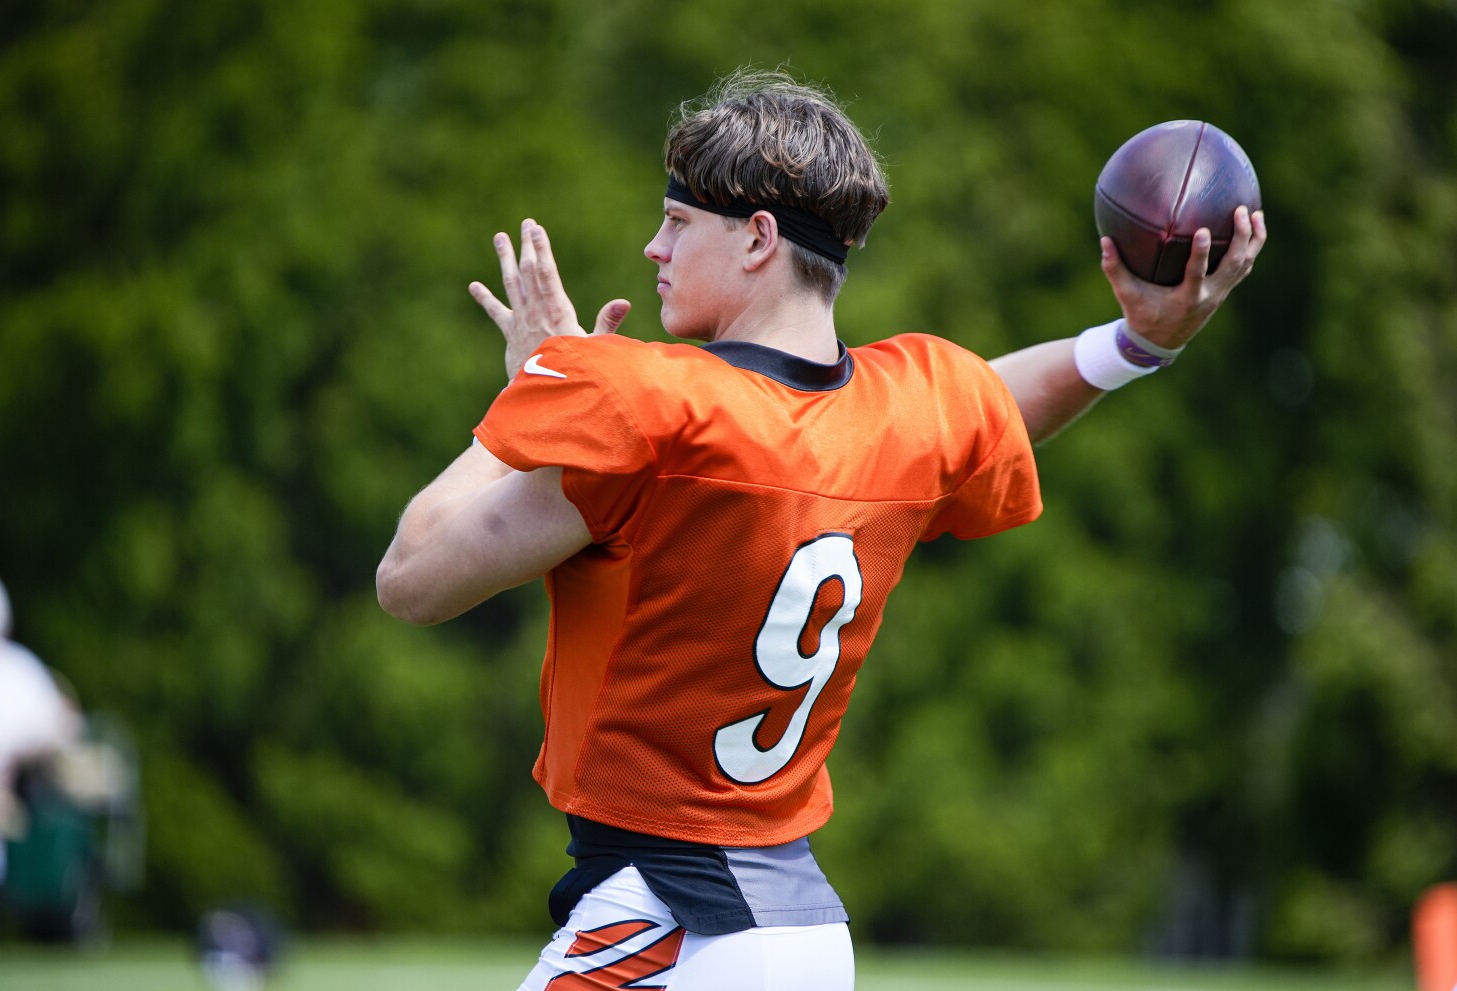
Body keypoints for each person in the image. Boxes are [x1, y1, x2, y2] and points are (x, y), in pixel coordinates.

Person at [376, 70, 1266, 990]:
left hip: (672, 917)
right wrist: (1140, 344)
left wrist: (531, 387)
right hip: (801, 936)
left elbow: (410, 577)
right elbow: (1003, 400)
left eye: (678, 222)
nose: (653, 248)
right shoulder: (907, 409)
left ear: (759, 237)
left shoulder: (649, 406)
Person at [0, 567, 83, 897]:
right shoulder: (22, 666)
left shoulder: (16, 668)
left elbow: (63, 724)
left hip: (22, 792)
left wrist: (20, 757)